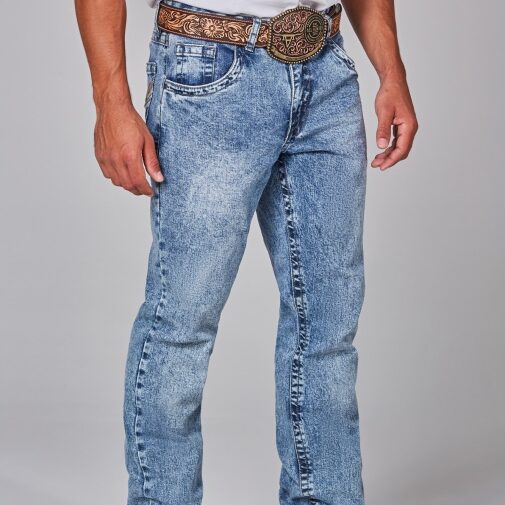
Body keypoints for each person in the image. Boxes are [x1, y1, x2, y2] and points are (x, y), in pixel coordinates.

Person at [75, 0, 417, 503]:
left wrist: (392, 72)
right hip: (209, 68)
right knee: (182, 323)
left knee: (328, 328)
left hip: (326, 72)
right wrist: (111, 103)